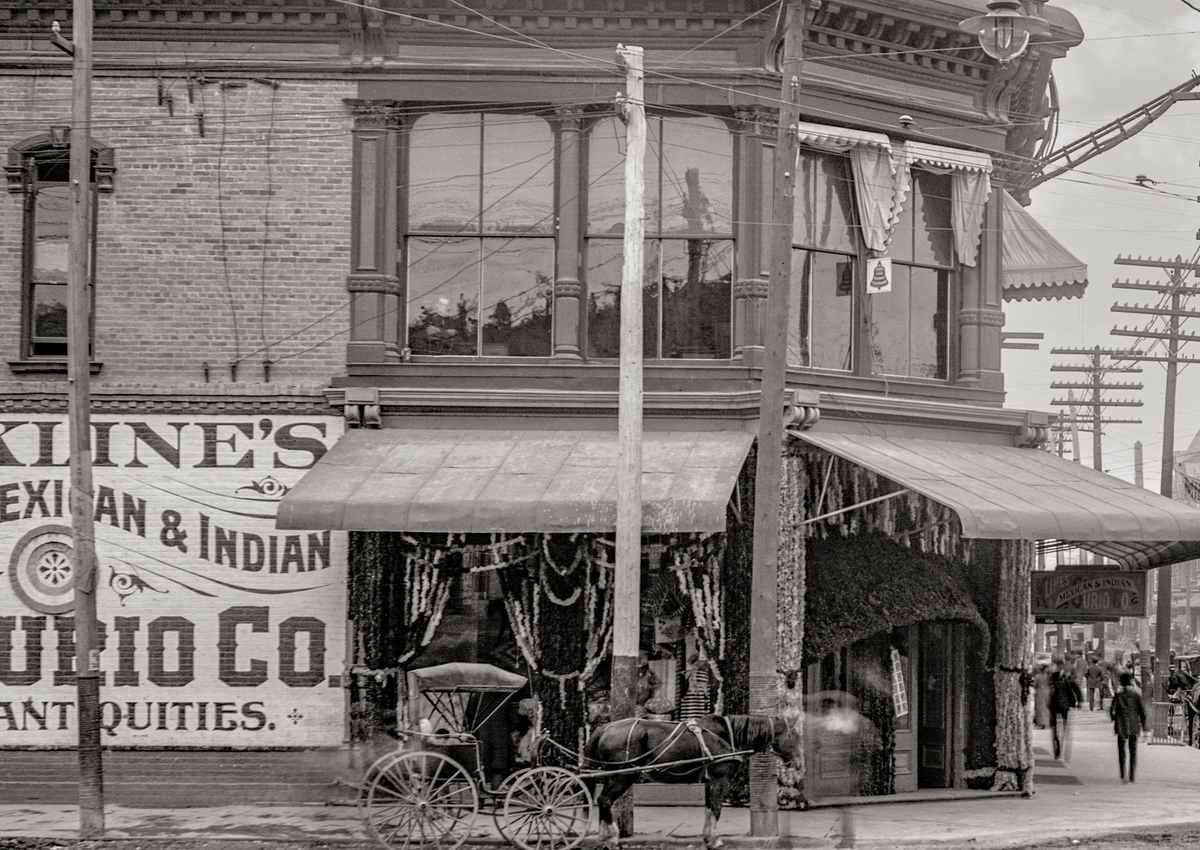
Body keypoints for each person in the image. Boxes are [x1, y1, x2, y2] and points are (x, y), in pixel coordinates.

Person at [1110, 671, 1147, 783]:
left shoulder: (1118, 696)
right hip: (1134, 726)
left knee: (1121, 751)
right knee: (1133, 751)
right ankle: (1132, 775)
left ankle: (1122, 774)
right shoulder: (1136, 696)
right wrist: (1145, 727)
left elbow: (1112, 711)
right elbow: (1142, 712)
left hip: (1121, 726)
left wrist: (1115, 718)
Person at [1049, 662, 1082, 762]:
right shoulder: (1065, 679)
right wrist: (1079, 701)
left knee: (1056, 728)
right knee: (1062, 728)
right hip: (1063, 705)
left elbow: (1076, 689)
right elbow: (1076, 689)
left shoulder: (1054, 678)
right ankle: (1060, 748)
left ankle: (1057, 749)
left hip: (1056, 705)